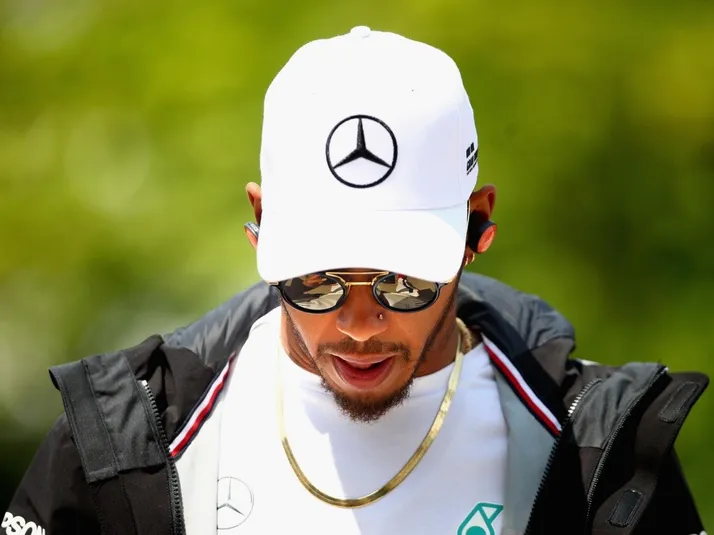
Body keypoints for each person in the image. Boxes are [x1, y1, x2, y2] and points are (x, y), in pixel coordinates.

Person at [4, 26, 709, 535]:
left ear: (477, 227)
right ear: (260, 222)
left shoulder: (601, 452)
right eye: (318, 281)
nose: (359, 323)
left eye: (403, 282)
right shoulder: (123, 442)